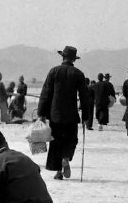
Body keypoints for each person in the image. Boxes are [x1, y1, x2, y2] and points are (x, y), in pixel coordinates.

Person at [37, 46, 89, 180]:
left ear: (63, 57)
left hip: (55, 115)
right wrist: (86, 116)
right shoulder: (78, 74)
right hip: (71, 114)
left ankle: (58, 172)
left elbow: (45, 94)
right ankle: (66, 158)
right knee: (71, 140)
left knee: (56, 142)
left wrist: (41, 113)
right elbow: (84, 97)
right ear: (74, 59)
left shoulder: (54, 71)